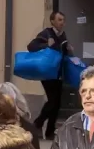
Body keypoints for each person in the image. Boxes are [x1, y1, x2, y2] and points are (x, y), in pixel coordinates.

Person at [28, 11, 73, 140]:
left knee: (57, 103)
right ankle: (37, 123)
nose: (62, 23)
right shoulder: (46, 33)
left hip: (58, 73)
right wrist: (45, 44)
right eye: (59, 20)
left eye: (63, 20)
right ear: (52, 21)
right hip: (47, 73)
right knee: (52, 101)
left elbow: (61, 51)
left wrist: (69, 49)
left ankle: (49, 131)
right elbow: (31, 46)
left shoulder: (62, 35)